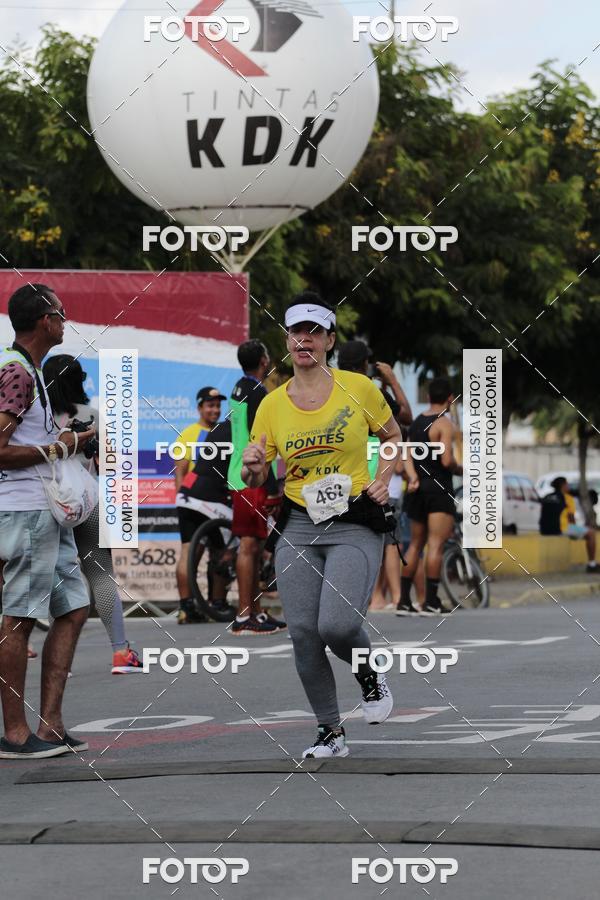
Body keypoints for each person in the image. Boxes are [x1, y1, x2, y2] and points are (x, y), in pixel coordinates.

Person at [242, 292, 413, 758]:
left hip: (354, 520)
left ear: (329, 340)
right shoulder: (272, 405)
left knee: (337, 625)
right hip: (299, 524)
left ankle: (370, 677)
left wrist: (383, 478)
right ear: (287, 339)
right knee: (302, 633)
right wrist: (250, 463)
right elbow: (254, 472)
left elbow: (394, 438)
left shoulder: (359, 389)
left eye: (314, 332)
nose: (304, 340)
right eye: (297, 331)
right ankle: (330, 732)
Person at [0, 284, 95, 759]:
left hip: (45, 512)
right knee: (18, 618)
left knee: (75, 607)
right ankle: (16, 734)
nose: (66, 319)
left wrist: (62, 437)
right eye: (61, 313)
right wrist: (66, 445)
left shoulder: (30, 371)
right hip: (26, 511)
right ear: (44, 321)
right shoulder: (16, 372)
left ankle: (51, 725)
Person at [42, 354, 144, 673]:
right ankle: (120, 653)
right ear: (79, 381)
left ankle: (60, 660)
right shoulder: (92, 415)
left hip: (45, 502)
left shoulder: (37, 417)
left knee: (50, 578)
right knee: (101, 573)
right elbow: (106, 465)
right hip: (88, 503)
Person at [229, 339, 286, 635]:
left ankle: (257, 611)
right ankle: (243, 615)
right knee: (250, 545)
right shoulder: (258, 392)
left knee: (255, 544)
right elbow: (263, 441)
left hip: (240, 472)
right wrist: (274, 484)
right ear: (264, 360)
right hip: (250, 475)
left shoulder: (239, 387)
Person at [399, 376, 462, 617]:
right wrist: (460, 468)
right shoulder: (444, 424)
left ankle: (404, 601)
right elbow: (446, 460)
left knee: (414, 545)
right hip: (438, 490)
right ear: (449, 399)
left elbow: (407, 455)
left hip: (417, 489)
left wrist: (413, 476)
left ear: (428, 397)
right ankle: (431, 602)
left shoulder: (416, 423)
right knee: (435, 545)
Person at [175, 414, 236, 622]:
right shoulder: (240, 431)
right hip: (210, 495)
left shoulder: (215, 429)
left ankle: (186, 608)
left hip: (188, 493)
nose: (215, 408)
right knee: (228, 546)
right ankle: (218, 602)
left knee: (188, 550)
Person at [540, 477, 600, 572]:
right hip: (560, 528)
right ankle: (592, 564)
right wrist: (576, 531)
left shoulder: (547, 497)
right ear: (563, 486)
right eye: (567, 484)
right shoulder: (567, 498)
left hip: (544, 529)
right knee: (591, 533)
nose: (568, 487)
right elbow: (571, 518)